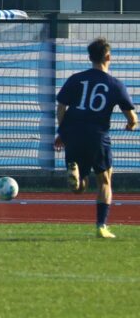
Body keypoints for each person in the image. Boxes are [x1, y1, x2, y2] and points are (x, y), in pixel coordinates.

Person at [54, 37, 137, 239]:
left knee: (79, 189)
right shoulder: (115, 84)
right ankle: (101, 226)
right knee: (105, 181)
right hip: (97, 136)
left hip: (73, 133)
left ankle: (76, 175)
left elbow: (61, 106)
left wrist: (62, 132)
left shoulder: (75, 78)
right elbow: (131, 116)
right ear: (108, 56)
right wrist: (131, 124)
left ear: (89, 57)